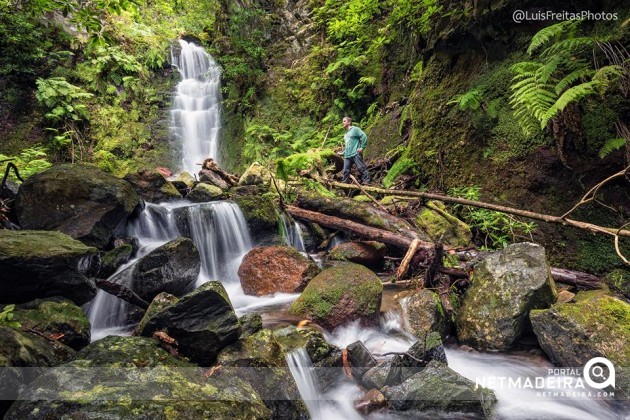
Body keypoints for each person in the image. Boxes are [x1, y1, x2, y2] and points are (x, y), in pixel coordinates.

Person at [340, 116, 370, 184]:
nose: (343, 122)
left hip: (355, 153)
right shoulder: (345, 134)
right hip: (347, 155)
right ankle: (344, 184)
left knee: (361, 167)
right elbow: (347, 145)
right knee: (345, 170)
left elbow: (363, 136)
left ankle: (366, 181)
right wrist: (342, 153)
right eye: (343, 121)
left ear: (349, 122)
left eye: (344, 121)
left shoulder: (355, 129)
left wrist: (362, 147)